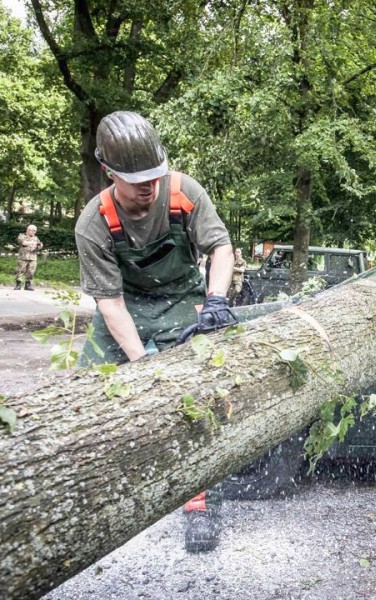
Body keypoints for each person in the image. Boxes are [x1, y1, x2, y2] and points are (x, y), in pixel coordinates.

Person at [74, 111, 237, 553]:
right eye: (137, 179)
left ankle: (199, 502)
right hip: (124, 307)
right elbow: (109, 303)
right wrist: (143, 364)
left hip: (182, 298)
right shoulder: (94, 222)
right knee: (87, 394)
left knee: (197, 396)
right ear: (110, 173)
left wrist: (217, 299)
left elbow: (220, 247)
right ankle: (92, 496)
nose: (149, 186)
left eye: (154, 175)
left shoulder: (184, 193)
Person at [14, 224, 43, 290]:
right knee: (20, 271)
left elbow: (39, 246)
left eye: (35, 231)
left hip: (33, 257)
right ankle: (18, 284)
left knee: (31, 272)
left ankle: (28, 285)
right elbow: (23, 243)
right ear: (28, 230)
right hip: (23, 257)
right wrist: (32, 243)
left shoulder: (36, 238)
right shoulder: (22, 236)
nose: (34, 232)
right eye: (33, 231)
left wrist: (40, 245)